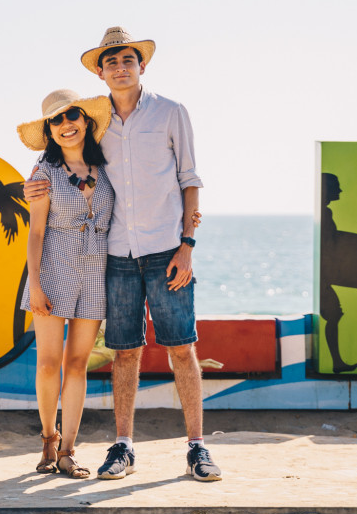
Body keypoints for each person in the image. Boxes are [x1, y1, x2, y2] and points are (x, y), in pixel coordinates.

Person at [25, 27, 221, 482]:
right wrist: (29, 187)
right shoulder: (96, 124)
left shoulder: (172, 113)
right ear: (100, 70)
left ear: (142, 65)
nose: (119, 67)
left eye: (127, 59)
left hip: (167, 251)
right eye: (110, 61)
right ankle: (123, 447)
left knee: (182, 348)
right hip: (114, 257)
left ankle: (197, 448)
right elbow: (58, 166)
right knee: (125, 352)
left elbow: (190, 180)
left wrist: (188, 246)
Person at [16, 89, 115, 479]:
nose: (65, 124)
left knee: (78, 365)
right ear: (49, 132)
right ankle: (47, 441)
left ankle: (69, 451)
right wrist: (35, 284)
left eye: (71, 115)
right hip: (53, 273)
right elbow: (36, 233)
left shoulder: (107, 171)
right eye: (55, 120)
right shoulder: (43, 176)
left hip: (95, 274)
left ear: (86, 121)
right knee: (48, 362)